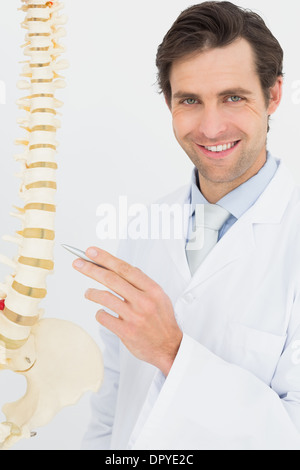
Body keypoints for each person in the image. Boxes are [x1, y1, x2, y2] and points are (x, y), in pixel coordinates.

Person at [75, 1, 300, 450]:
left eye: (233, 97)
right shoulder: (144, 228)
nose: (212, 127)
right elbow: (112, 408)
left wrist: (172, 353)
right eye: (190, 101)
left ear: (273, 95)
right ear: (169, 102)